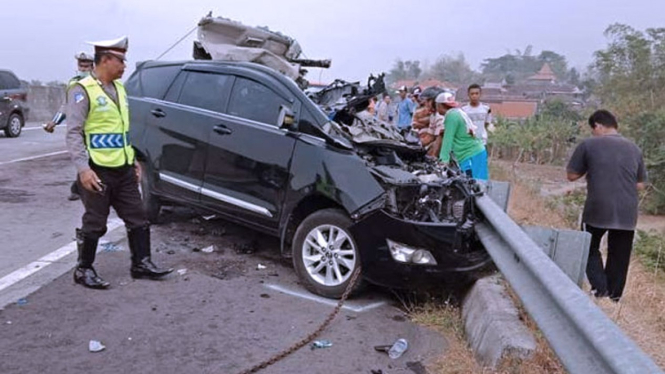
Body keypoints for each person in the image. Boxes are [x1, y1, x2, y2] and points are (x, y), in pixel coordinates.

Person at [65, 36, 173, 289]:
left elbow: (122, 130)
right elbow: (73, 133)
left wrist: (133, 159)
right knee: (95, 222)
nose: (125, 66)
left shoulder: (120, 89)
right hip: (97, 170)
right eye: (121, 60)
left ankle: (141, 263)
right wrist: (83, 169)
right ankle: (84, 269)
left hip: (123, 168)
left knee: (138, 217)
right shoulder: (82, 90)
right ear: (105, 60)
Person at [566, 110, 647, 302]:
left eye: (593, 129)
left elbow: (571, 175)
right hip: (627, 211)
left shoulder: (588, 144)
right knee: (619, 255)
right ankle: (614, 298)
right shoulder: (634, 148)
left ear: (598, 126)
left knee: (588, 246)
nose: (593, 133)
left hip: (598, 207)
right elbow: (640, 184)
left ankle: (600, 290)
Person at [44, 52, 95, 201]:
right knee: (82, 157)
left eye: (86, 66)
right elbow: (67, 105)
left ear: (93, 66)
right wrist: (54, 122)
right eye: (81, 65)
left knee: (96, 159)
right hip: (78, 128)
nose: (83, 68)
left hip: (96, 127)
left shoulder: (98, 83)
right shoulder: (74, 83)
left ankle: (80, 187)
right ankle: (80, 187)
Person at [436, 92, 488, 180]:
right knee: (475, 186)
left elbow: (448, 140)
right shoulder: (457, 112)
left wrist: (443, 161)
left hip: (471, 154)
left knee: (475, 186)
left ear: (440, 105)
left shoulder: (451, 116)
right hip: (474, 152)